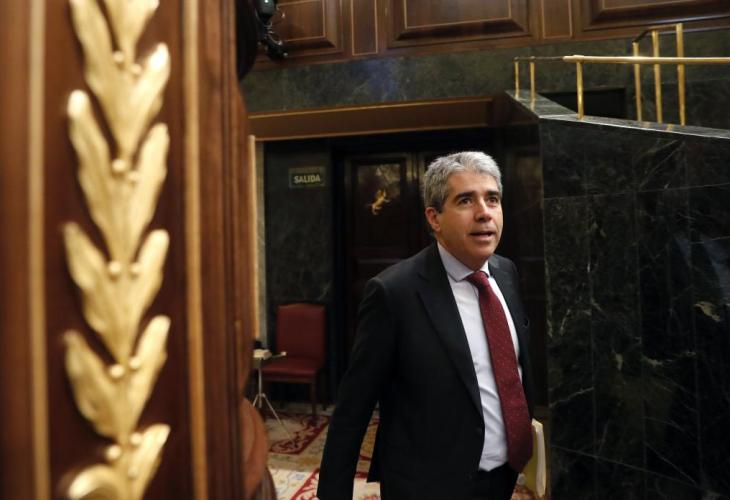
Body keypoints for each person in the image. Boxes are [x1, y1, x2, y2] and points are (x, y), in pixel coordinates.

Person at [317, 151, 534, 500]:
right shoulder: (394, 293)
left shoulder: (506, 272)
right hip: (427, 486)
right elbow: (352, 409)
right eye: (466, 200)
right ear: (434, 218)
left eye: (492, 199)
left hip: (504, 477)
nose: (484, 213)